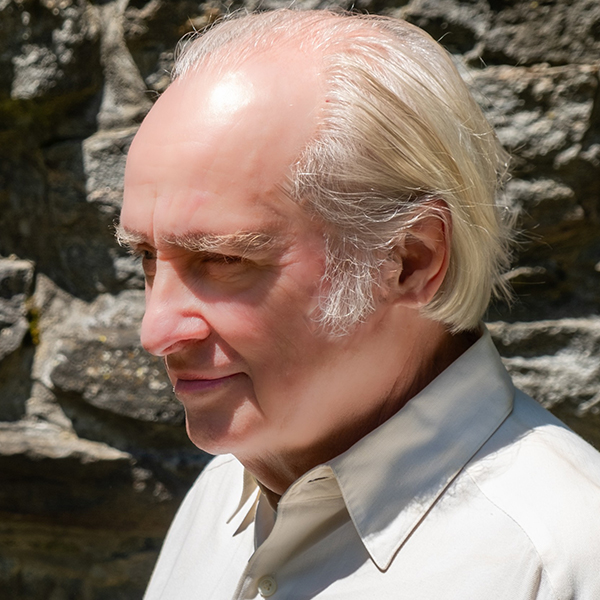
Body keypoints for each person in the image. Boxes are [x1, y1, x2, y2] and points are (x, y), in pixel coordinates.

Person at [118, 9, 600, 600]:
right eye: (146, 257)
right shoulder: (221, 495)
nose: (155, 329)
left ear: (411, 260)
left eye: (222, 260)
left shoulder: (561, 560)